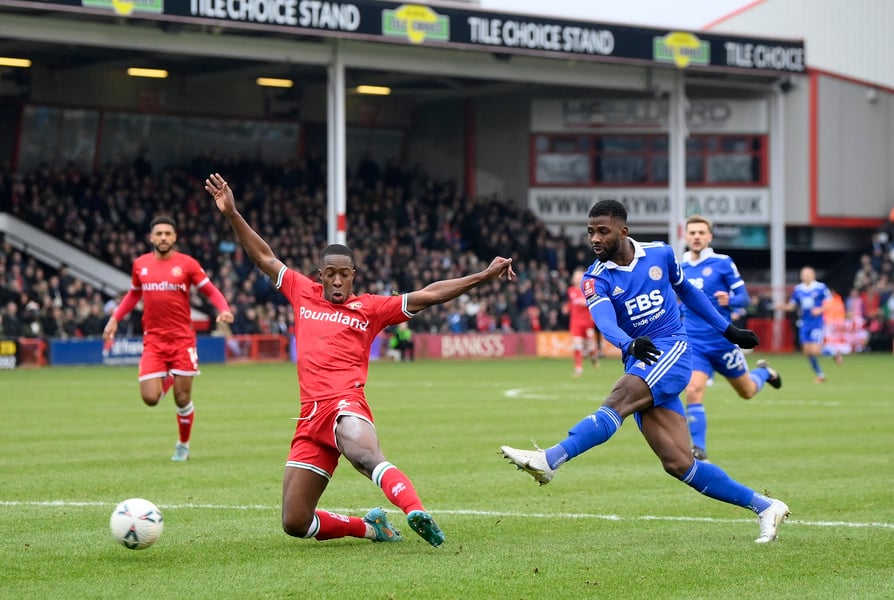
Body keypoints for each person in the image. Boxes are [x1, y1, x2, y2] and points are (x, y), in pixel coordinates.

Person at [205, 172, 515, 548]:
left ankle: (415, 510)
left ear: (354, 276)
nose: (337, 281)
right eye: (330, 274)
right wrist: (232, 214)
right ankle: (372, 528)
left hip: (344, 404)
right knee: (295, 521)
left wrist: (483, 275)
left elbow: (429, 294)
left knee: (364, 454)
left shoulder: (370, 308)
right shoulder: (302, 292)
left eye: (344, 275)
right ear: (320, 276)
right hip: (309, 418)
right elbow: (264, 257)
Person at [500, 199, 789, 544]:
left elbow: (689, 293)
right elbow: (605, 322)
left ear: (623, 231)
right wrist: (627, 343)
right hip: (640, 358)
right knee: (679, 464)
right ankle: (766, 506)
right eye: (590, 232)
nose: (594, 238)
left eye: (602, 231)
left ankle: (550, 459)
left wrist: (728, 330)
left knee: (618, 399)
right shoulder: (595, 278)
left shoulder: (661, 254)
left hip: (672, 348)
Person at [102, 215, 234, 461]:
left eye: (168, 234)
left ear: (175, 237)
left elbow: (209, 290)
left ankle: (183, 445)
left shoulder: (187, 264)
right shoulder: (140, 264)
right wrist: (115, 318)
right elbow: (133, 295)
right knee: (150, 398)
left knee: (183, 399)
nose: (163, 237)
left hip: (182, 340)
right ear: (151, 237)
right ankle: (170, 378)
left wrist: (223, 308)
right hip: (153, 340)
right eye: (159, 233)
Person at [680, 215, 782, 462]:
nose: (696, 236)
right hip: (694, 341)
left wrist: (731, 300)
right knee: (693, 390)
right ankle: (699, 450)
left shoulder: (722, 263)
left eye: (701, 233)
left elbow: (744, 297)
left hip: (723, 341)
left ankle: (765, 373)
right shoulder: (679, 266)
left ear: (709, 237)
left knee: (746, 391)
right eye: (692, 232)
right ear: (686, 236)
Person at [777, 266, 832, 382]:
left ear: (813, 275)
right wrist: (783, 307)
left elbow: (830, 302)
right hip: (804, 323)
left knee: (815, 351)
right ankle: (820, 374)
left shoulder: (821, 287)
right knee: (807, 351)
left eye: (807, 274)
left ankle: (832, 353)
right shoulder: (798, 289)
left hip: (817, 323)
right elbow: (792, 306)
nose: (805, 276)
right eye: (803, 274)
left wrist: (820, 310)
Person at [567, 267, 603, 376]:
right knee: (577, 346)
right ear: (573, 279)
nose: (578, 279)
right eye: (576, 277)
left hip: (588, 323)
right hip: (576, 323)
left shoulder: (588, 290)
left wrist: (584, 302)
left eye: (580, 277)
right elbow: (576, 302)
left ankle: (593, 358)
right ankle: (578, 369)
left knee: (590, 347)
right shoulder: (571, 290)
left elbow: (591, 302)